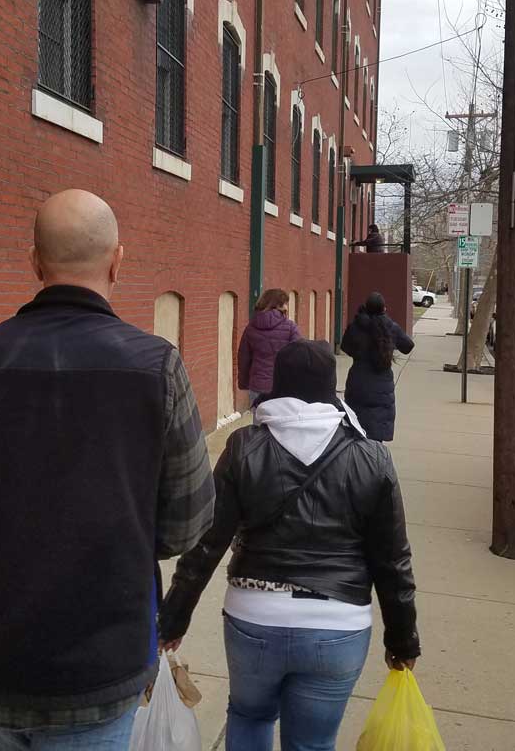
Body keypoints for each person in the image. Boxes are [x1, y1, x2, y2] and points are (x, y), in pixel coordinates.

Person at [0, 189, 215, 751]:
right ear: (118, 259)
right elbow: (187, 522)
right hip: (101, 662)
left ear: (35, 262)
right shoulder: (157, 367)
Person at [158, 340, 419, 751]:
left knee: (248, 716)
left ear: (277, 384)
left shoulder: (244, 446)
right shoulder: (371, 456)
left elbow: (207, 543)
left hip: (254, 616)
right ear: (331, 387)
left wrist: (173, 619)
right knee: (313, 744)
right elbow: (392, 561)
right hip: (338, 626)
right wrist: (403, 640)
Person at [341, 292, 415, 442]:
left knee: (356, 422)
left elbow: (345, 346)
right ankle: (375, 459)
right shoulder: (390, 327)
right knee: (377, 428)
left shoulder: (356, 326)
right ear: (384, 309)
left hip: (358, 380)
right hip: (382, 383)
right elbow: (408, 346)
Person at [237, 288, 302, 409]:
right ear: (280, 305)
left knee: (259, 424)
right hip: (283, 386)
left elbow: (243, 358)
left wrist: (244, 383)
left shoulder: (251, 327)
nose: (287, 306)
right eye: (285, 303)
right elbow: (298, 357)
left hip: (257, 384)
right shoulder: (291, 328)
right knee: (280, 425)